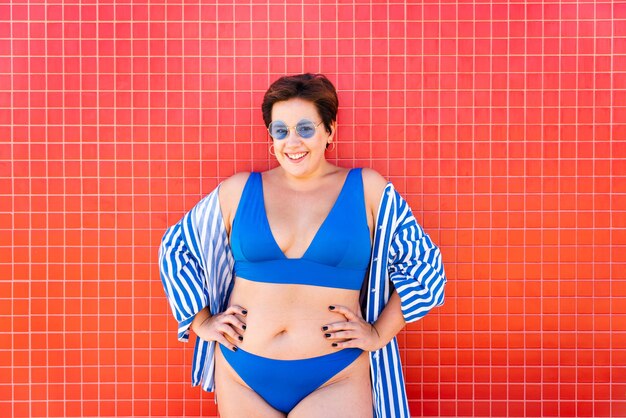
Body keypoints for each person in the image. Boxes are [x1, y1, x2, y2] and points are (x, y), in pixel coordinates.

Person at [159, 73, 446, 418]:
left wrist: (378, 334)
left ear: (330, 130)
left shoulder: (367, 188)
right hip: (242, 374)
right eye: (281, 131)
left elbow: (424, 266)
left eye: (305, 128)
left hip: (334, 375)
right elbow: (175, 248)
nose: (292, 142)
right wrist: (201, 322)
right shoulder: (238, 191)